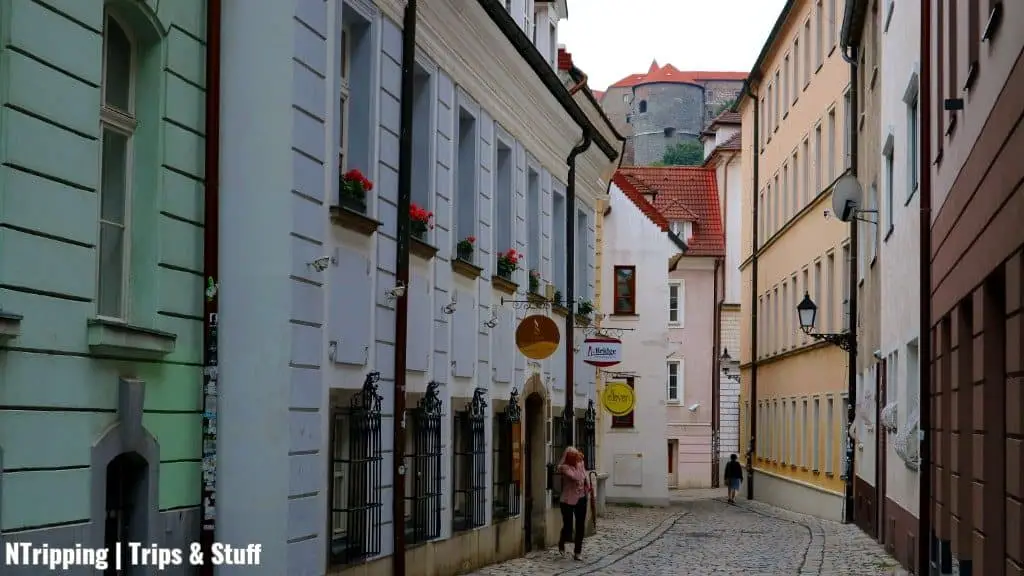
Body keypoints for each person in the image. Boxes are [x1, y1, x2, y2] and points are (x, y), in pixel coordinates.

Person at [556, 447, 591, 560]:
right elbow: (576, 477)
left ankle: (577, 551)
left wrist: (581, 464)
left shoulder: (580, 463)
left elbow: (585, 476)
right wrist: (579, 467)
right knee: (568, 526)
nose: (577, 458)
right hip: (567, 500)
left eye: (577, 455)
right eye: (574, 456)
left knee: (580, 526)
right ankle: (562, 541)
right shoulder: (564, 467)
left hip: (581, 498)